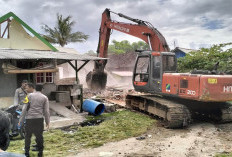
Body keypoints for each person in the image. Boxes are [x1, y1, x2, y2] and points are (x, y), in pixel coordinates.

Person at [19, 83, 50, 157]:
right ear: (42, 89)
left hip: (29, 119)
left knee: (27, 136)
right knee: (39, 136)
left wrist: (21, 120)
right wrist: (47, 122)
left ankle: (26, 153)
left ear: (35, 88)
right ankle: (40, 153)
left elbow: (24, 109)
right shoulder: (45, 97)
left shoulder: (29, 96)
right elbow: (46, 111)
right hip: (39, 119)